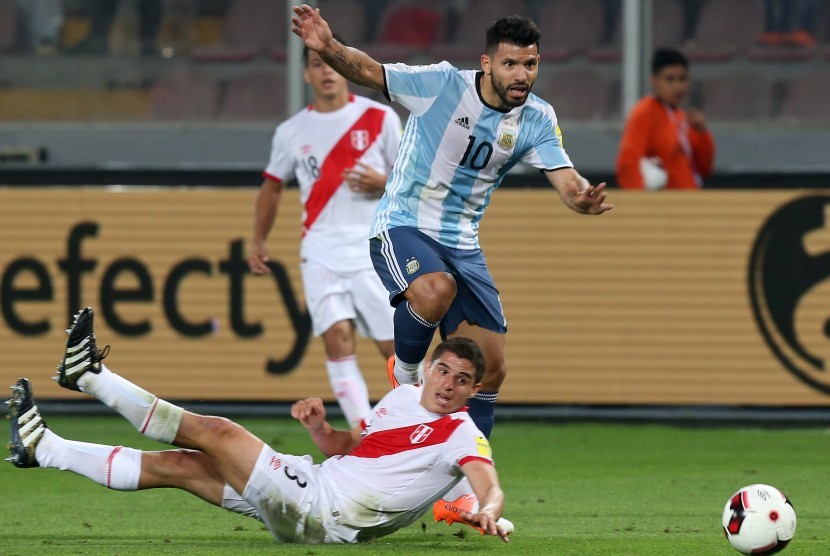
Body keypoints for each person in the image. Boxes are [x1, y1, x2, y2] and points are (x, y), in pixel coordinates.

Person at [289, 4, 613, 443]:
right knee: (434, 288)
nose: (521, 74)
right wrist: (327, 46)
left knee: (491, 368)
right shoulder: (441, 85)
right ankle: (405, 374)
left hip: (462, 242)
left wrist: (581, 198)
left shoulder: (536, 118)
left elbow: (567, 180)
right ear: (487, 63)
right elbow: (369, 71)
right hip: (403, 224)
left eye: (530, 64)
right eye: (510, 63)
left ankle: (461, 489)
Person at [6, 307, 513, 544]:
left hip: (326, 512)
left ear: (474, 390)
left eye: (463, 379)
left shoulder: (463, 434)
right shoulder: (403, 396)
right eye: (443, 370)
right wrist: (321, 431)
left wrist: (488, 509)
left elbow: (487, 486)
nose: (448, 383)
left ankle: (91, 377)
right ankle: (42, 447)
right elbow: (354, 447)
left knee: (220, 432)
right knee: (181, 466)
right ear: (429, 368)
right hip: (317, 481)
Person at [247, 40, 402, 428]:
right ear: (306, 74)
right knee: (336, 340)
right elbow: (271, 186)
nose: (327, 71)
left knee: (395, 350)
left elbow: (410, 183)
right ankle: (364, 433)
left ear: (345, 67)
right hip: (320, 252)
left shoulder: (380, 118)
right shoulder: (290, 131)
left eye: (333, 63)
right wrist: (258, 241)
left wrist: (382, 182)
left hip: (372, 250)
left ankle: (413, 425)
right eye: (317, 64)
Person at [615, 47, 715, 190]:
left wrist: (702, 133)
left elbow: (704, 169)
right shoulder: (644, 112)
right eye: (670, 79)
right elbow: (628, 164)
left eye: (682, 78)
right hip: (665, 207)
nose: (678, 86)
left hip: (689, 201)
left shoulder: (681, 116)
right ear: (654, 81)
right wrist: (638, 205)